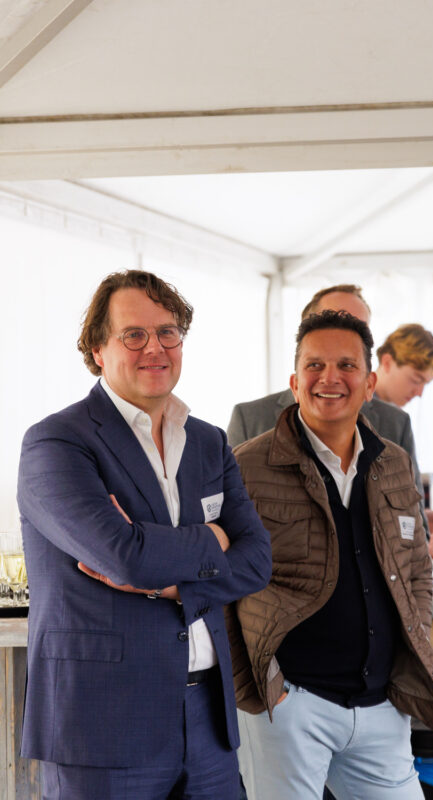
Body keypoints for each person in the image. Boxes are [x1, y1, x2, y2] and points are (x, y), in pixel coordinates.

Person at [16, 270, 272, 799]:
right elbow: (125, 556)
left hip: (208, 721)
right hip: (103, 724)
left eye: (167, 332)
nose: (154, 347)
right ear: (97, 349)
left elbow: (257, 561)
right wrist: (215, 538)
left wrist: (173, 584)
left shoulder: (208, 442)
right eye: (133, 334)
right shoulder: (56, 443)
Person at [227, 310, 433, 800]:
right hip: (289, 705)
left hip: (382, 704)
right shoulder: (247, 465)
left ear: (370, 383)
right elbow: (224, 583)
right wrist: (262, 687)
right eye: (315, 365)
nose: (329, 378)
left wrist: (413, 643)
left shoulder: (394, 462)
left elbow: (416, 569)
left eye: (346, 365)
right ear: (294, 382)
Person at [228, 285, 433, 559]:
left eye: (359, 326)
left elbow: (414, 537)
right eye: (333, 320)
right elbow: (231, 531)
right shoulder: (251, 420)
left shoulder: (395, 423)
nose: (344, 332)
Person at [374, 323, 433, 551]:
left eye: (425, 384)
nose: (419, 393)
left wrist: (421, 519)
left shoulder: (395, 420)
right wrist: (418, 542)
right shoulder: (359, 414)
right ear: (387, 362)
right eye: (416, 379)